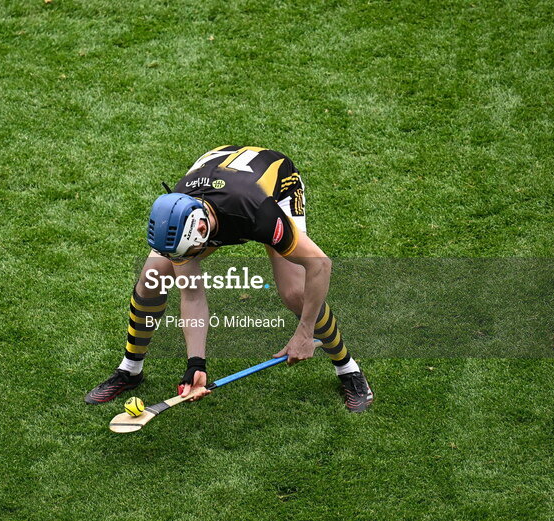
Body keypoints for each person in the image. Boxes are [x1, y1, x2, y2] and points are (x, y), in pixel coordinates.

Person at [85, 145, 373, 412]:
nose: (192, 258)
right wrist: (195, 364)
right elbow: (192, 294)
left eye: (195, 250)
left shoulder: (258, 213)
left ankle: (348, 368)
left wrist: (304, 333)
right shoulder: (180, 214)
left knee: (295, 292)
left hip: (273, 189)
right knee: (151, 278)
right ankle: (130, 369)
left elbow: (321, 265)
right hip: (219, 175)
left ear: (202, 229)